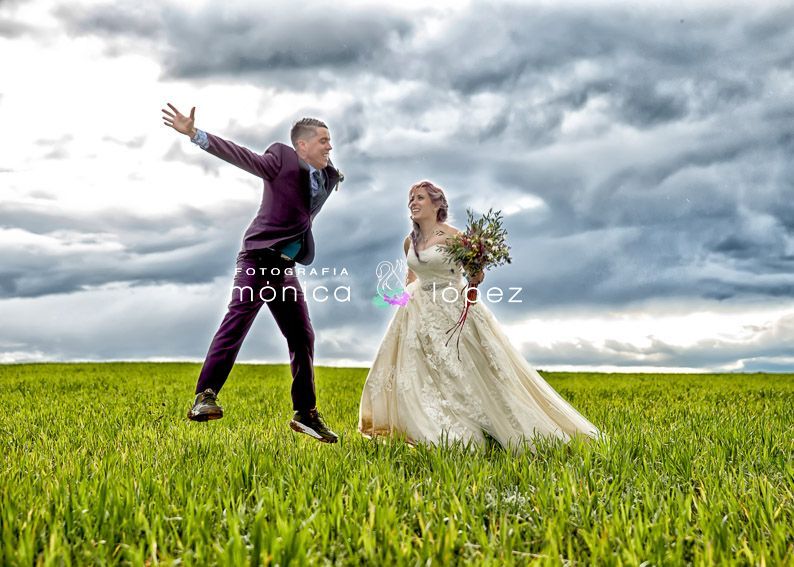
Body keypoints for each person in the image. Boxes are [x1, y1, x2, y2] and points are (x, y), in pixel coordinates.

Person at [358, 180, 600, 452]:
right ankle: (430, 426)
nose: (413, 202)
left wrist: (477, 268)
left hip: (453, 306)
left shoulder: (455, 238)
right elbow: (410, 276)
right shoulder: (409, 242)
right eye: (410, 198)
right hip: (418, 310)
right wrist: (398, 302)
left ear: (437, 204)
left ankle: (488, 426)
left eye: (420, 198)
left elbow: (474, 275)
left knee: (463, 369)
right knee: (422, 374)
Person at [161, 103, 342, 443]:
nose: (329, 147)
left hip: (285, 269)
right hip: (258, 260)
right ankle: (205, 396)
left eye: (330, 141)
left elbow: (309, 202)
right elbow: (242, 156)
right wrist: (196, 135)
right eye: (322, 141)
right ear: (301, 146)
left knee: (302, 337)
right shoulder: (281, 159)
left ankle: (305, 413)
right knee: (237, 322)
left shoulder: (328, 174)